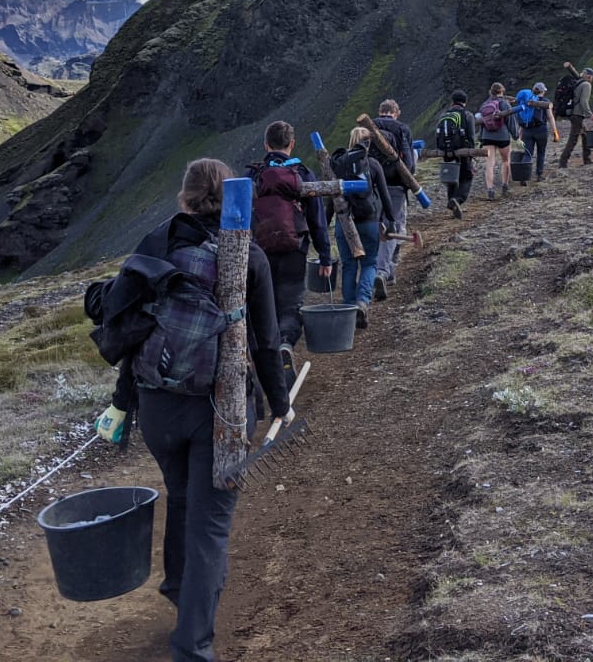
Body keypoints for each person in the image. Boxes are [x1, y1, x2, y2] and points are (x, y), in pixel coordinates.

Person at [131, 159, 291, 662]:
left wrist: (123, 400)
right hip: (218, 410)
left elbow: (129, 326)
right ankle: (193, 646)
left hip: (156, 405)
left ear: (185, 195)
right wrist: (280, 402)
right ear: (232, 198)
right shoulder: (246, 254)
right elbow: (266, 342)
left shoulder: (156, 242)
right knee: (211, 526)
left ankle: (181, 593)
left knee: (180, 497)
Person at [248, 121, 331, 376]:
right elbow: (317, 220)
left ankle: (268, 358)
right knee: (292, 304)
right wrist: (325, 256)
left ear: (266, 145)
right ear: (292, 144)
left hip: (260, 251)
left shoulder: (254, 176)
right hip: (296, 247)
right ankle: (285, 343)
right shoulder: (303, 175)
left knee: (265, 304)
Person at [329, 125, 395, 328]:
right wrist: (390, 221)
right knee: (369, 263)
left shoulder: (338, 165)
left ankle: (349, 309)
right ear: (368, 143)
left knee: (349, 264)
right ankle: (362, 302)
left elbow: (330, 195)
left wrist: (324, 223)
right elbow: (384, 195)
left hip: (344, 222)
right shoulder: (373, 164)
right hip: (368, 221)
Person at [369, 98, 415, 296]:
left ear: (380, 111)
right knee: (393, 226)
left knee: (373, 225)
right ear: (396, 113)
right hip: (395, 186)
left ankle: (378, 270)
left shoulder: (368, 126)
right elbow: (409, 163)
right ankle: (383, 271)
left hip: (371, 185)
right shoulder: (402, 129)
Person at [433, 90, 478, 217]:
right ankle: (457, 199)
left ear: (452, 102)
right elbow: (471, 136)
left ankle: (451, 202)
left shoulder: (443, 115)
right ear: (465, 102)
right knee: (466, 177)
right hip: (462, 150)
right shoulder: (467, 115)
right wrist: (471, 153)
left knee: (452, 177)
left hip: (446, 150)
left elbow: (438, 134)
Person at [476, 82, 519, 199]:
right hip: (502, 136)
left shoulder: (485, 104)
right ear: (502, 91)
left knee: (489, 164)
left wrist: (480, 138)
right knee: (506, 161)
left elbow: (482, 123)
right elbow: (511, 121)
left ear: (491, 91)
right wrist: (516, 136)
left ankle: (490, 190)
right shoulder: (504, 104)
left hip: (487, 137)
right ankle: (505, 186)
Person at [515, 81, 556, 184]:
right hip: (541, 130)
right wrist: (555, 131)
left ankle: (523, 177)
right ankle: (539, 175)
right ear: (543, 91)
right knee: (541, 152)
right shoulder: (545, 101)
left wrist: (519, 132)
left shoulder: (526, 101)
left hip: (527, 130)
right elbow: (550, 117)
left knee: (528, 153)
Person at [557, 67, 593, 168]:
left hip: (573, 113)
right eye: (592, 76)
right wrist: (590, 114)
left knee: (585, 135)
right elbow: (584, 101)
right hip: (578, 114)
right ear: (589, 76)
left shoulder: (577, 83)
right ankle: (563, 162)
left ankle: (587, 159)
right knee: (573, 139)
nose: (592, 79)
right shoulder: (586, 85)